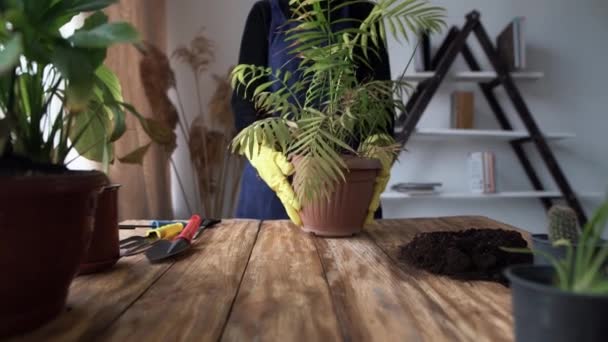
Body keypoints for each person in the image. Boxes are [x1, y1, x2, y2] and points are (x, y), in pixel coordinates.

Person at [232, 0, 393, 220]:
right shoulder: (265, 13)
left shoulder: (364, 13)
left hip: (346, 180)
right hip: (276, 181)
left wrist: (379, 149)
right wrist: (258, 149)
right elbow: (243, 100)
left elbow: (381, 103)